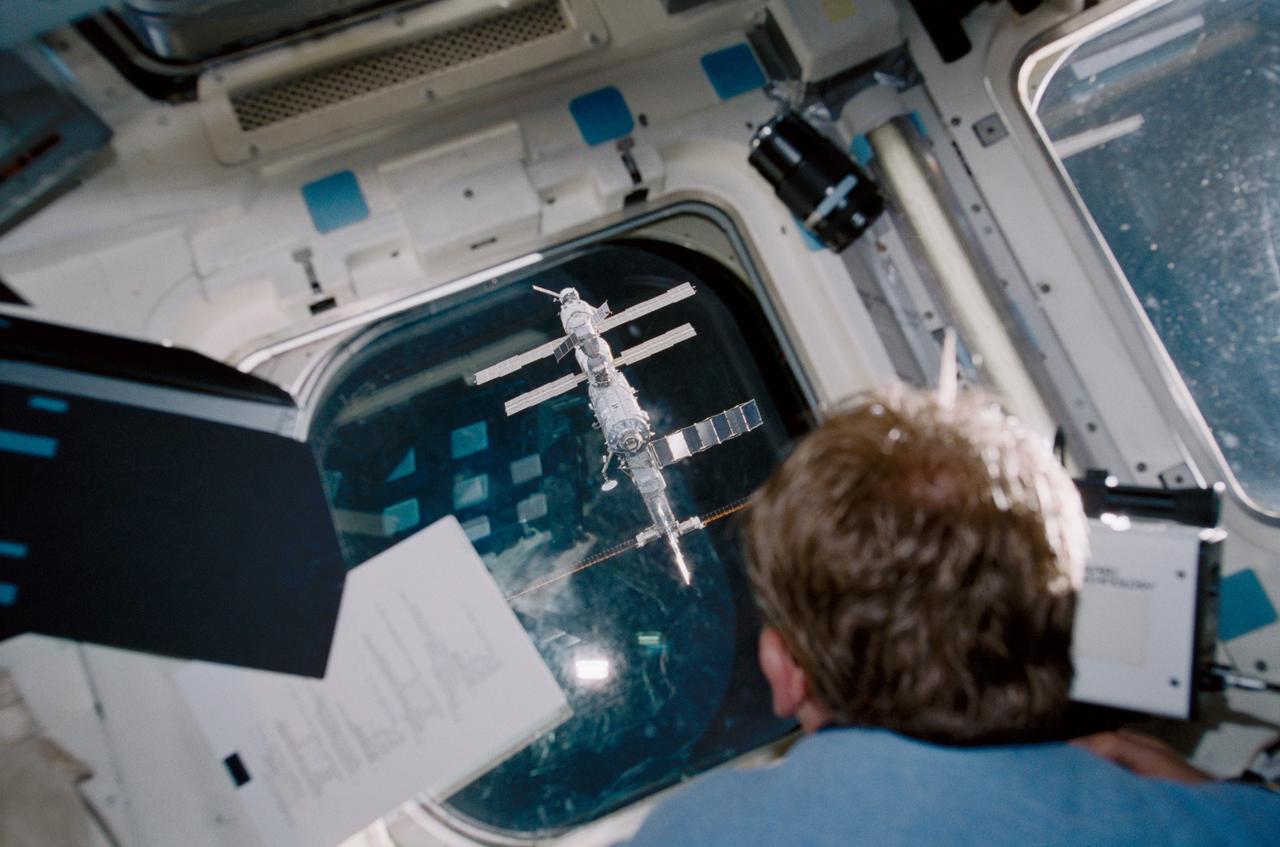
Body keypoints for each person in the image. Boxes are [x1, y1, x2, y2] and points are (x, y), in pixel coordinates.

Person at [622, 384, 1280, 846]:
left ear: (783, 669)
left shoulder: (691, 832)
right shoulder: (1233, 828)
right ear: (1066, 622)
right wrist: (1217, 800)